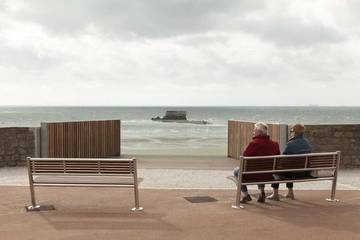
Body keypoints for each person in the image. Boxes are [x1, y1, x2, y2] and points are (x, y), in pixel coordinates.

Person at [233, 122, 280, 203]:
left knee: (237, 171)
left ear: (259, 132)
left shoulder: (253, 143)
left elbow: (244, 157)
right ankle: (261, 192)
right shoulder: (275, 144)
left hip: (254, 174)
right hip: (268, 174)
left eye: (254, 130)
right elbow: (278, 158)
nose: (253, 131)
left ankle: (245, 195)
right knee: (262, 168)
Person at [267, 123, 312, 201]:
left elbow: (283, 159)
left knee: (276, 168)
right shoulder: (307, 143)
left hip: (294, 173)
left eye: (291, 131)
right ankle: (290, 193)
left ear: (295, 132)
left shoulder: (291, 144)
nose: (290, 133)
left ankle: (275, 194)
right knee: (291, 167)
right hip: (305, 172)